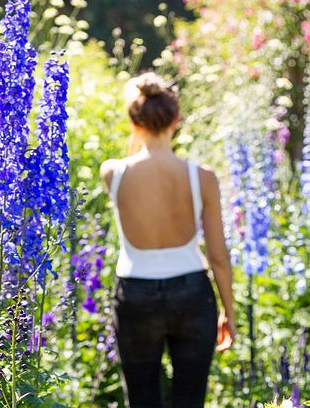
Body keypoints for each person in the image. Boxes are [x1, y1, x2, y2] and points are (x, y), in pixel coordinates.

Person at [100, 72, 237, 408]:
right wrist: (228, 312)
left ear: (134, 120)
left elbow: (133, 156)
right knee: (190, 400)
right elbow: (218, 256)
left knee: (142, 399)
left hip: (135, 294)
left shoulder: (112, 173)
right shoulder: (202, 177)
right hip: (191, 293)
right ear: (177, 121)